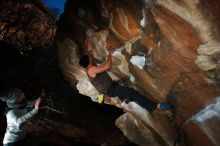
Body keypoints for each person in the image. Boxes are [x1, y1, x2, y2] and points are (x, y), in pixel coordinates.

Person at [79, 51, 173, 112]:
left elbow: (106, 69)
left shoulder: (91, 68)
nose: (91, 56)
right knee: (134, 93)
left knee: (128, 93)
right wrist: (109, 54)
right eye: (90, 57)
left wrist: (106, 65)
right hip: (111, 89)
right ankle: (155, 106)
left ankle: (126, 99)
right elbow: (107, 66)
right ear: (88, 61)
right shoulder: (91, 69)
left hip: (112, 87)